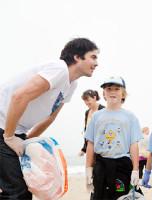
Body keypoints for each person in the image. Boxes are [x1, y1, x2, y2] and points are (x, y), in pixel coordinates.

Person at [0, 38, 99, 199]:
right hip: (3, 128)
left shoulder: (71, 84)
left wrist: (26, 141)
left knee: (25, 188)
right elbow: (19, 96)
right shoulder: (59, 69)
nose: (97, 63)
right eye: (93, 57)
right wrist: (9, 137)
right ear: (77, 57)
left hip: (15, 132)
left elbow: (50, 117)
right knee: (16, 192)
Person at [85, 76, 143, 200]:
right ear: (104, 93)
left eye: (117, 89)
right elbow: (90, 143)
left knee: (122, 196)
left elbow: (133, 145)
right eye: (109, 88)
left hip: (122, 166)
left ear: (123, 94)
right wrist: (88, 168)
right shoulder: (96, 116)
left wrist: (135, 170)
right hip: (101, 166)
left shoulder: (130, 117)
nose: (112, 92)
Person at [79, 89, 105, 156]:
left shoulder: (103, 110)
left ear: (94, 98)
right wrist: (84, 149)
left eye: (88, 100)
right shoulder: (87, 112)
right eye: (85, 101)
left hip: (102, 147)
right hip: (90, 147)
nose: (86, 103)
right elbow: (87, 131)